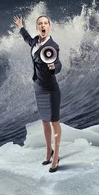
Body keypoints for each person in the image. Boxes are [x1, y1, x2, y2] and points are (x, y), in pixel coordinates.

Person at [13, 15, 62, 172]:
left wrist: (54, 67)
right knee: (44, 122)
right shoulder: (35, 41)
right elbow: (27, 39)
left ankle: (56, 157)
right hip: (38, 87)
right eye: (40, 23)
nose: (43, 25)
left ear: (49, 26)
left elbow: (58, 64)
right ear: (37, 27)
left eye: (46, 23)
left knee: (54, 122)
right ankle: (48, 151)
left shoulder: (53, 46)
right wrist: (21, 27)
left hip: (50, 89)